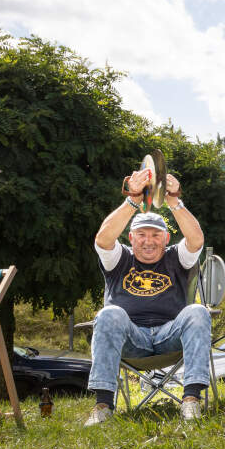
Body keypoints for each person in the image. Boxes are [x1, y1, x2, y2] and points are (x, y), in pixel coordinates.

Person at [86, 168, 209, 425]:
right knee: (109, 314)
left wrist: (174, 201)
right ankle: (103, 406)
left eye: (155, 235)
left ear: (166, 239)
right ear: (131, 238)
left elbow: (196, 240)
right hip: (132, 338)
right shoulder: (121, 257)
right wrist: (132, 201)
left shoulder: (176, 256)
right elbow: (103, 239)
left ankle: (191, 401)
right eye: (141, 235)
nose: (148, 241)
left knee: (197, 311)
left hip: (169, 336)